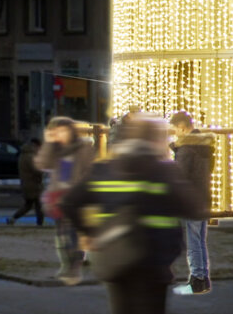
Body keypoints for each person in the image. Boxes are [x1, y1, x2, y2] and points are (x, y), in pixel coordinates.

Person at [62, 116, 202, 314]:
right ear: (155, 140)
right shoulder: (164, 171)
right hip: (155, 262)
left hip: (116, 258)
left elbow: (70, 203)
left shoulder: (103, 170)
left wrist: (89, 232)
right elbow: (194, 208)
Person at [36, 116, 98, 284]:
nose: (60, 135)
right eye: (56, 132)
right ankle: (67, 267)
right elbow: (41, 163)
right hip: (58, 196)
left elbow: (89, 172)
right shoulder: (55, 150)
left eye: (62, 130)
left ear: (71, 131)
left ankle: (73, 269)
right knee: (61, 235)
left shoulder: (83, 148)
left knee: (72, 234)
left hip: (76, 196)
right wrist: (48, 143)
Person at [169, 110, 215, 295]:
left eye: (175, 130)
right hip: (204, 197)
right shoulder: (206, 147)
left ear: (182, 127)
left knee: (194, 243)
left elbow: (178, 176)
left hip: (190, 200)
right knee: (200, 241)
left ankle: (196, 280)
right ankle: (203, 279)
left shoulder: (186, 149)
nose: (175, 134)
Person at [7, 136, 45, 226]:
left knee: (29, 205)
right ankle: (40, 223)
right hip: (34, 184)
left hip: (27, 183)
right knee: (39, 205)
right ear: (36, 145)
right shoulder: (30, 156)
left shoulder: (23, 154)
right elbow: (36, 170)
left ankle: (13, 218)